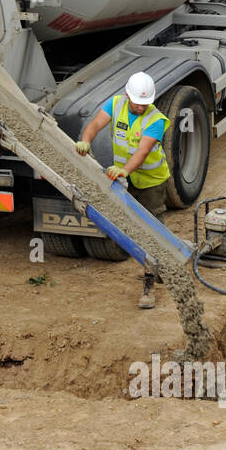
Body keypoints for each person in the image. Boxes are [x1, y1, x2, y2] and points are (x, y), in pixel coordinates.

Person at [75, 71, 171, 310]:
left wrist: (124, 171)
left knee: (152, 231)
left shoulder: (156, 120)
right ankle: (158, 263)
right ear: (127, 96)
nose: (140, 107)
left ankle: (150, 284)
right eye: (137, 102)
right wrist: (85, 139)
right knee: (129, 226)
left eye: (145, 103)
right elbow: (96, 124)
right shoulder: (116, 104)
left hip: (151, 182)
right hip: (125, 177)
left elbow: (142, 152)